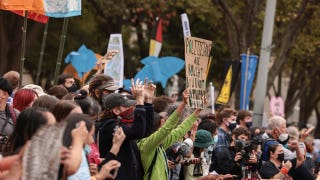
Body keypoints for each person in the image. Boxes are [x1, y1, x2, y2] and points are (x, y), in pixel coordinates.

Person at [137, 89, 204, 180]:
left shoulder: (160, 144)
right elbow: (167, 128)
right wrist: (183, 103)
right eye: (163, 122)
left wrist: (197, 111)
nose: (165, 122)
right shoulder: (146, 144)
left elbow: (179, 130)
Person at [97, 79, 148, 180]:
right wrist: (140, 102)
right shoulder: (110, 126)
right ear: (116, 110)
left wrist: (149, 102)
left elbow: (145, 131)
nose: (132, 108)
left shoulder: (117, 123)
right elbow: (138, 132)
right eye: (127, 106)